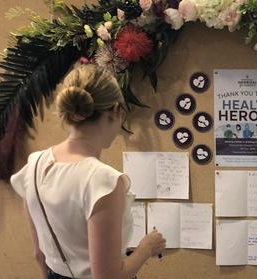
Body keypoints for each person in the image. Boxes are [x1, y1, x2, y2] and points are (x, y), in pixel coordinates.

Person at [10, 65, 166, 279]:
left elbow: (39, 255)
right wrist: (147, 248)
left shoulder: (35, 164)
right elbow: (107, 276)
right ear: (116, 112)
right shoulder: (102, 181)